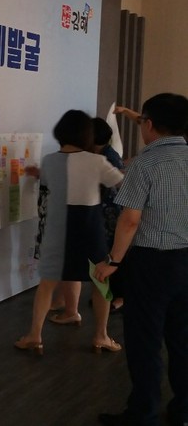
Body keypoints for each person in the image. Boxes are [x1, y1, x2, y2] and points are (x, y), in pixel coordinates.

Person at [96, 93, 188, 426]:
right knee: (183, 341)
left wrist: (113, 261)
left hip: (153, 264)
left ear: (148, 124)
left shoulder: (145, 163)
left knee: (145, 342)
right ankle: (183, 411)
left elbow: (130, 220)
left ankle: (143, 414)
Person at [15, 110, 124, 355]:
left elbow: (51, 180)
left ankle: (35, 335)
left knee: (47, 283)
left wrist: (37, 173)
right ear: (87, 135)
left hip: (59, 225)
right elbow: (121, 183)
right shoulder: (96, 161)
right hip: (89, 226)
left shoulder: (50, 161)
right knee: (101, 282)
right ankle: (101, 336)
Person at [92, 117, 125, 313]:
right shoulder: (104, 154)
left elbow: (117, 184)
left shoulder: (107, 158)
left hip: (111, 213)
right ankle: (106, 296)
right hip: (107, 212)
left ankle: (117, 297)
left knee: (112, 256)